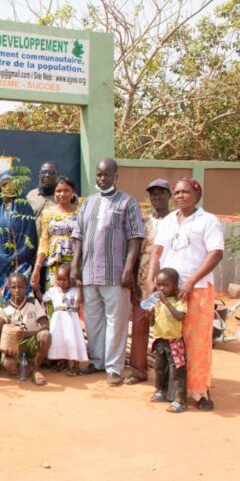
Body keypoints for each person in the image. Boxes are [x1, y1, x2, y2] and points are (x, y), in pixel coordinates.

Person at [149, 178, 223, 411]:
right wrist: (152, 278)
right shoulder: (168, 221)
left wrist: (191, 281)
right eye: (177, 192)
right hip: (168, 291)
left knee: (197, 342)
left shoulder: (208, 220)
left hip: (198, 289)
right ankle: (172, 389)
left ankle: (200, 391)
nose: (180, 195)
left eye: (186, 192)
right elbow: (157, 252)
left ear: (197, 195)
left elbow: (216, 253)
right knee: (170, 340)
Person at [71, 158, 144, 386]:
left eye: (107, 174)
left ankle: (114, 368)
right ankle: (98, 361)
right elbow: (79, 235)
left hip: (116, 273)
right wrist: (75, 264)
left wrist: (129, 268)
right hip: (90, 272)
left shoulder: (127, 202)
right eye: (99, 174)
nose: (102, 178)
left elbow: (135, 238)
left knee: (116, 322)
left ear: (116, 176)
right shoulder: (88, 203)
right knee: (93, 321)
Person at [126, 178, 172, 385]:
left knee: (171, 327)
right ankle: (138, 370)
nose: (157, 197)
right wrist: (135, 281)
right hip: (144, 282)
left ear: (169, 195)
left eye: (161, 193)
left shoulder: (177, 221)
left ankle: (172, 373)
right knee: (140, 323)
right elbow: (135, 252)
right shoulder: (144, 222)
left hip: (171, 283)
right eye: (153, 194)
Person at [0, 171, 37, 302]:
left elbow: (29, 236)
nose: (9, 187)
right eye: (5, 184)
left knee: (19, 300)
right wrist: (0, 259)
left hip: (19, 263)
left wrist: (14, 258)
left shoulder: (25, 208)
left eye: (12, 184)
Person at [146, 267, 188, 413]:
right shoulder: (156, 301)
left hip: (174, 342)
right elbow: (150, 320)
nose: (161, 288)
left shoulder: (179, 300)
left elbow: (180, 316)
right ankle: (160, 392)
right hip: (159, 340)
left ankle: (180, 400)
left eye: (165, 285)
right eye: (159, 285)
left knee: (177, 372)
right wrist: (149, 312)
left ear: (175, 285)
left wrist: (166, 303)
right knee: (159, 369)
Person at [0, 273, 52, 385]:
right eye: (13, 287)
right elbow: (1, 329)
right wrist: (7, 348)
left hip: (31, 340)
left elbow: (45, 325)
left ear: (26, 287)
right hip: (14, 344)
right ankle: (22, 365)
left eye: (20, 287)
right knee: (10, 367)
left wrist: (28, 333)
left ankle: (35, 368)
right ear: (8, 288)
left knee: (46, 335)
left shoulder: (33, 302)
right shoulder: (4, 306)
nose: (17, 290)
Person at [36, 264, 87, 376]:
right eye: (59, 279)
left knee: (73, 340)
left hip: (71, 320)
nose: (61, 282)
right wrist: (37, 289)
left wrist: (79, 287)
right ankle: (62, 363)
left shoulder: (74, 290)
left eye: (64, 279)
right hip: (57, 321)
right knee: (60, 340)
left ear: (71, 279)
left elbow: (80, 300)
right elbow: (43, 298)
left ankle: (75, 365)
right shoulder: (54, 290)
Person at [31, 177, 79, 292]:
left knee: (74, 301)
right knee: (54, 300)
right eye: (58, 191)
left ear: (73, 192)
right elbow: (44, 242)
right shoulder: (47, 213)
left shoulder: (81, 212)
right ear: (54, 192)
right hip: (54, 266)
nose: (62, 194)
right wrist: (37, 268)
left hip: (75, 265)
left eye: (66, 190)